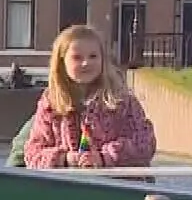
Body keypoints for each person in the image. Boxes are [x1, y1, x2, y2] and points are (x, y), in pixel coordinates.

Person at [22, 25, 156, 169]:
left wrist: (104, 157)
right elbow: (32, 153)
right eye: (77, 58)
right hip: (65, 186)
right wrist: (64, 158)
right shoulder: (50, 103)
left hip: (115, 184)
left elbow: (145, 143)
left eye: (93, 56)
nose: (86, 63)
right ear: (61, 62)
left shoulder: (122, 100)